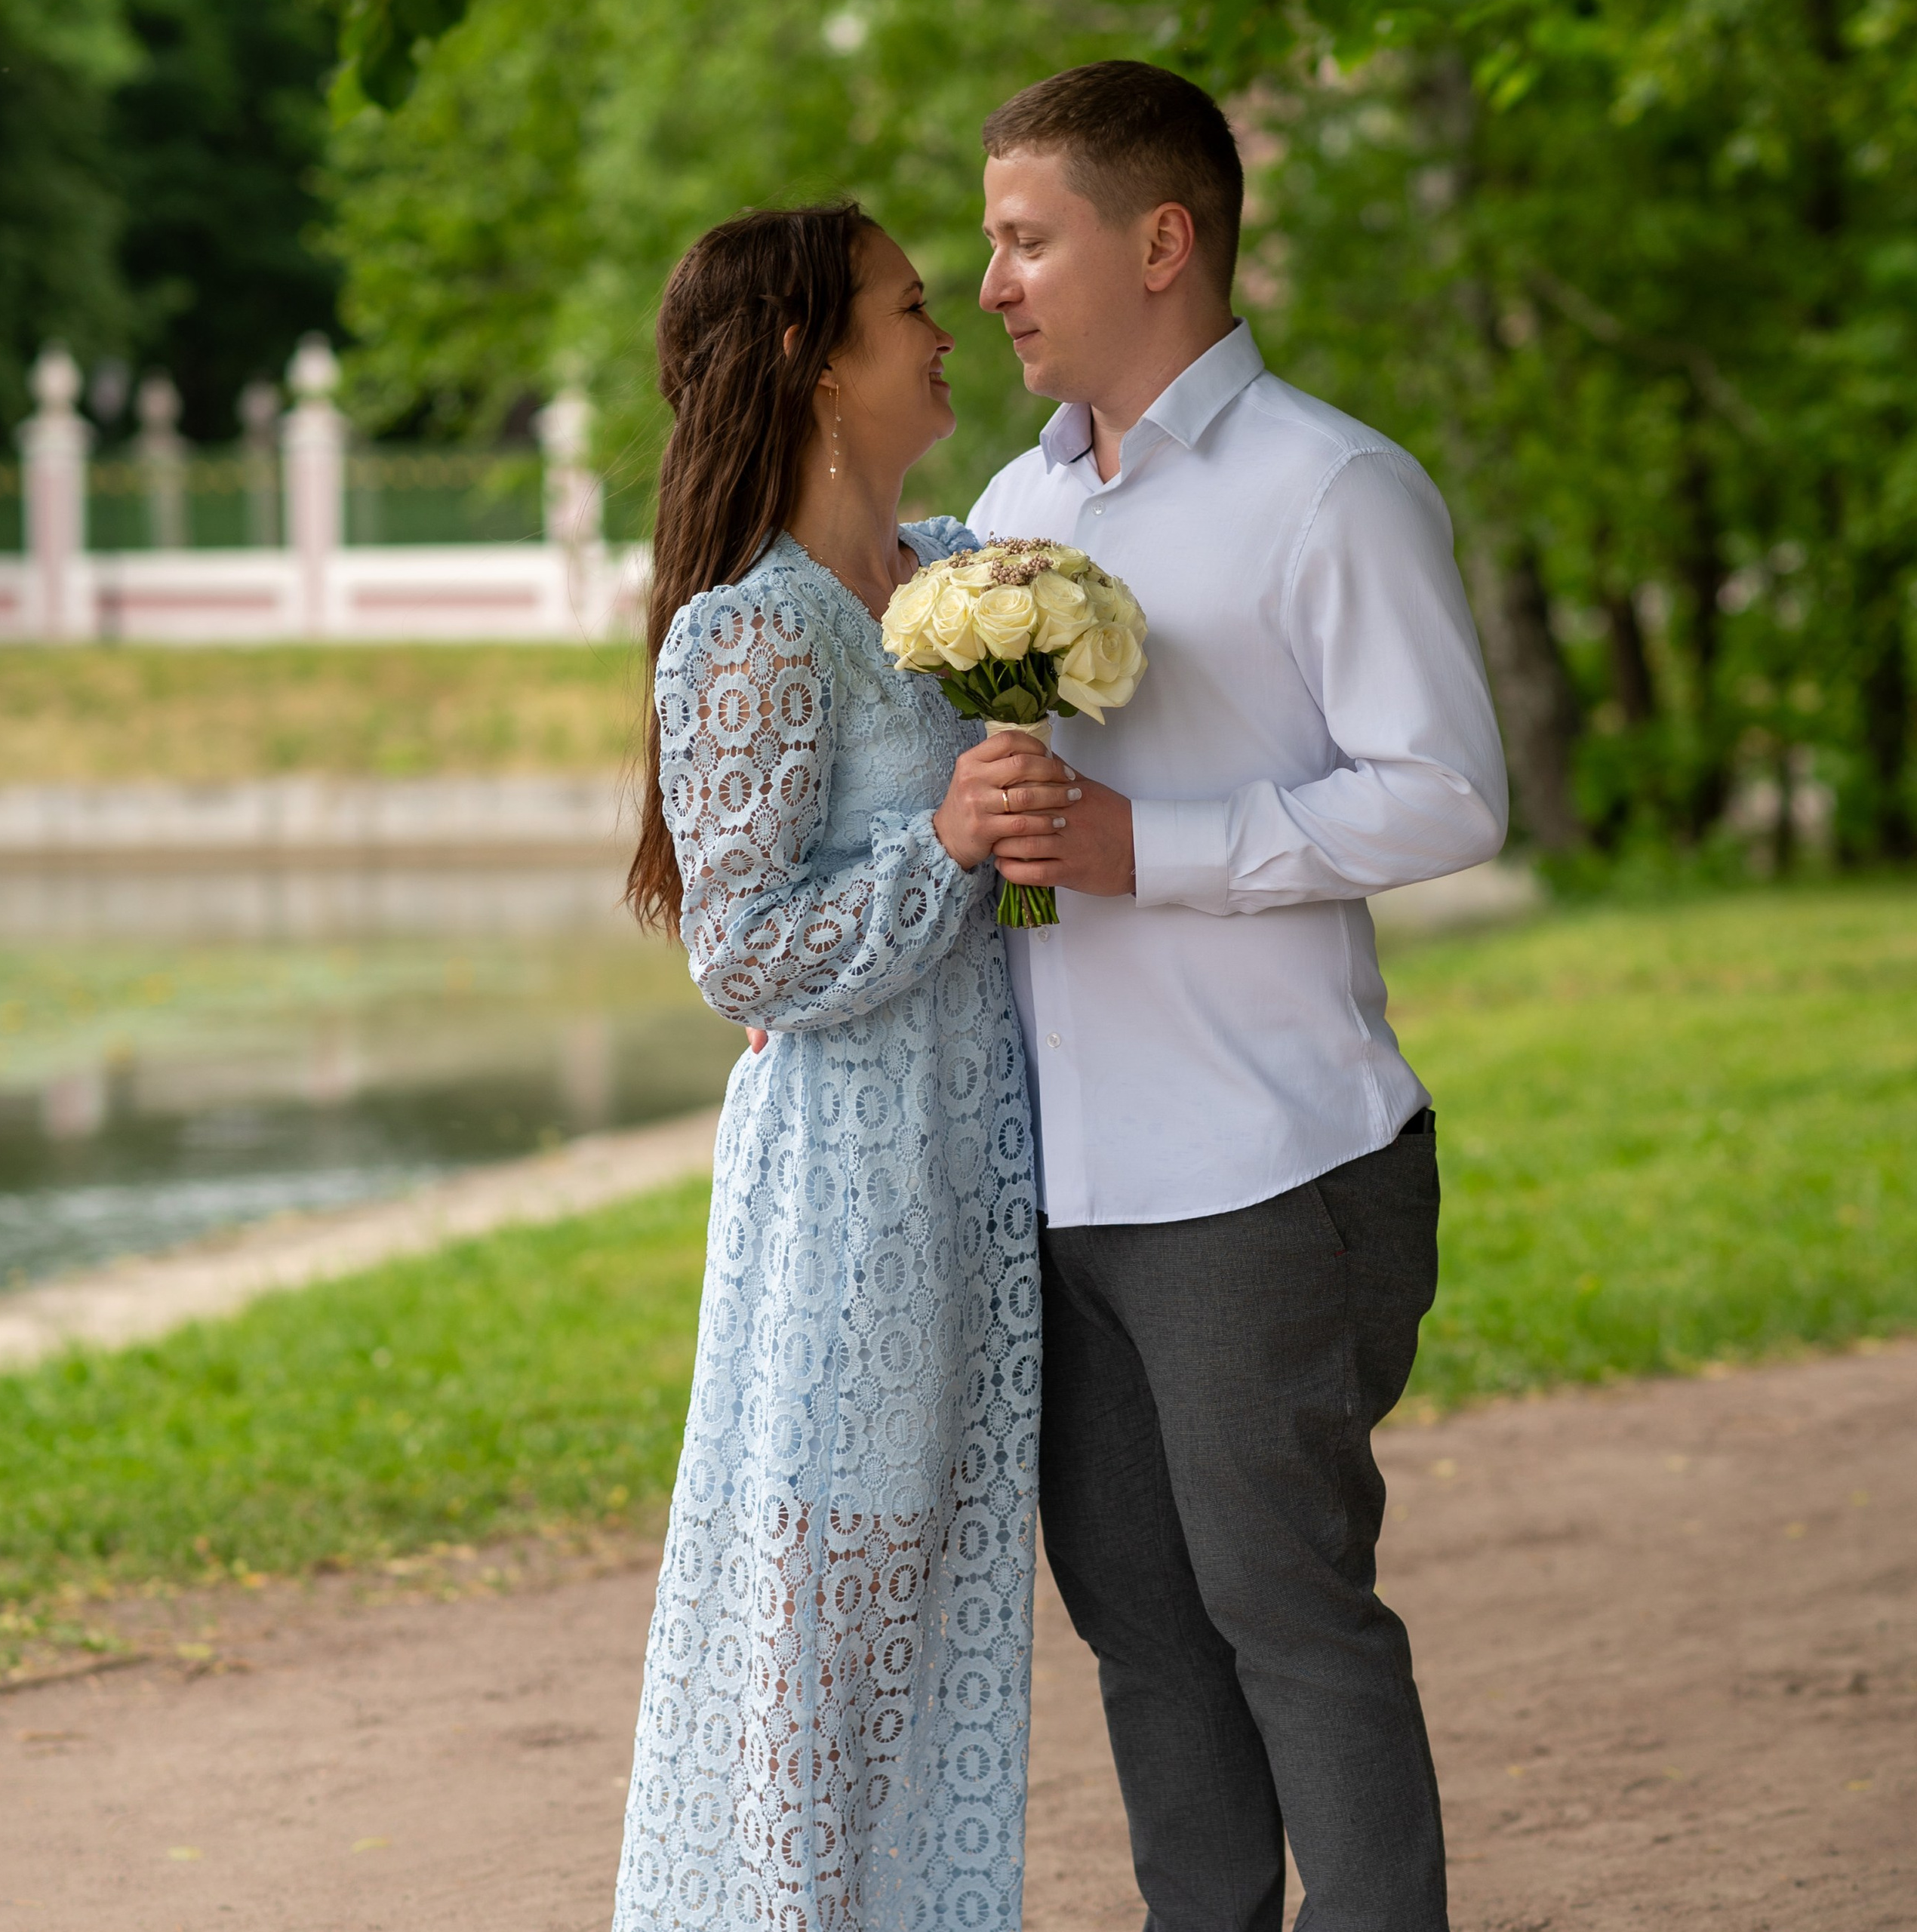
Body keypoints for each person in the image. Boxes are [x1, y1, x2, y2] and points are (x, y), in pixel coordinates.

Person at [967, 62, 1509, 1932]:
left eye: (1027, 239)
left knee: (1286, 1611)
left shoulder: (1329, 485)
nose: (992, 286)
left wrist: (1152, 847)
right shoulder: (1003, 504)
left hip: (1264, 1164)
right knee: (1136, 1625)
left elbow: (1445, 790)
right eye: (987, 245)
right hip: (1059, 1181)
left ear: (1163, 242)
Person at [613, 205, 1073, 1932]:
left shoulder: (957, 575)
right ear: (816, 361)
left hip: (987, 1167)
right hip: (851, 1207)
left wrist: (1012, 834)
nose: (945, 326)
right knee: (827, 1669)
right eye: (907, 307)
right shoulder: (755, 629)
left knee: (950, 1635)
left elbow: (1013, 900)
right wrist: (950, 841)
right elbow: (738, 955)